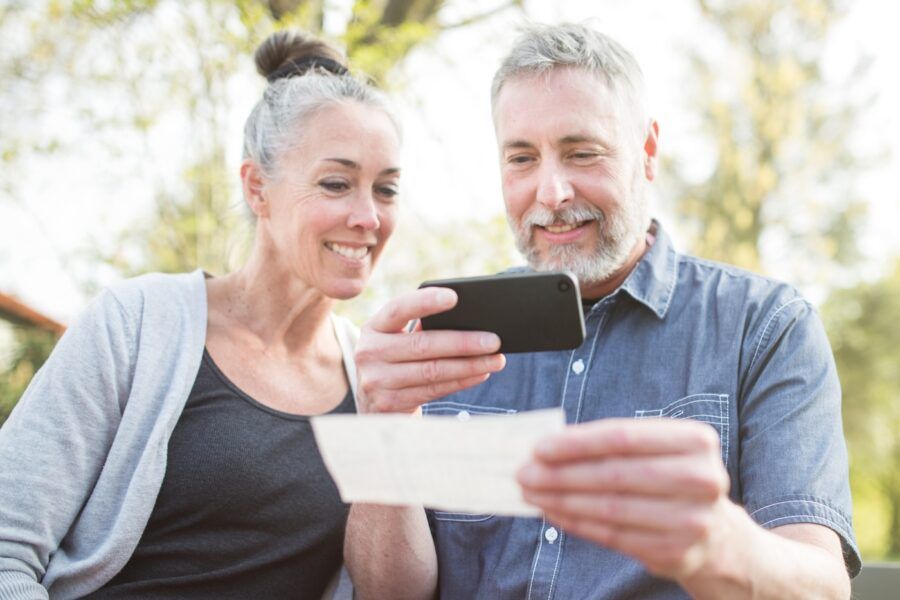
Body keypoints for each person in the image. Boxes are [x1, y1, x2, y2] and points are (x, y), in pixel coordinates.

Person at [344, 23, 860, 599]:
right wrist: (383, 431)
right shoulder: (442, 341)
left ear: (647, 153)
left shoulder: (765, 327)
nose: (552, 192)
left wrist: (717, 541)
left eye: (581, 152)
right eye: (521, 158)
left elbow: (821, 590)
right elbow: (389, 592)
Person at [0, 29, 401, 599]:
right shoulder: (134, 325)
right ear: (257, 188)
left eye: (386, 190)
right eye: (336, 184)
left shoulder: (377, 382)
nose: (368, 217)